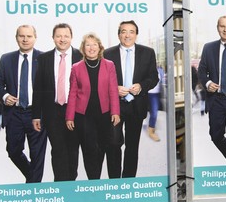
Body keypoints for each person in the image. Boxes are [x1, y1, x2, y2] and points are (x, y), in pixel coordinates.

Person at [104, 20, 159, 178]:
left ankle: (128, 181)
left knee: (132, 146)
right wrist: (114, 89)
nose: (127, 35)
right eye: (123, 31)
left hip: (137, 105)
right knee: (113, 144)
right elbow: (101, 81)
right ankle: (114, 181)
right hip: (115, 107)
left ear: (136, 34)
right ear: (119, 34)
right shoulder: (108, 54)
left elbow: (153, 77)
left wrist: (141, 86)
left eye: (131, 32)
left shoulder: (147, 52)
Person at [0, 25, 47, 183]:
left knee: (37, 155)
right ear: (16, 37)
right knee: (13, 150)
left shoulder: (44, 59)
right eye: (21, 36)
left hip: (36, 114)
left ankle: (33, 189)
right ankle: (32, 178)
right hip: (14, 113)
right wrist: (4, 96)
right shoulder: (6, 58)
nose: (25, 39)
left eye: (29, 36)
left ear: (35, 38)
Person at [66, 33, 120, 180]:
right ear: (83, 48)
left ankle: (97, 174)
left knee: (102, 147)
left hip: (104, 113)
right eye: (87, 45)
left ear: (99, 47)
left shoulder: (109, 65)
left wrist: (115, 111)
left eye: (94, 44)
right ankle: (93, 180)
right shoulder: (76, 67)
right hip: (83, 115)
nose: (91, 48)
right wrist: (69, 116)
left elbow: (113, 90)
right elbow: (72, 93)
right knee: (88, 149)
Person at [32, 23, 82, 181]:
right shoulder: (43, 59)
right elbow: (38, 88)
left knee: (73, 149)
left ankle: (71, 182)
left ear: (71, 37)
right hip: (52, 112)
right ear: (53, 38)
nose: (62, 39)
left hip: (75, 111)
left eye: (66, 36)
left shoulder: (81, 56)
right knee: (58, 149)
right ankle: (61, 184)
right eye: (59, 36)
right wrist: (36, 115)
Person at [197, 15, 226, 165]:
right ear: (218, 28)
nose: (225, 29)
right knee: (215, 135)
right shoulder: (208, 47)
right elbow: (201, 71)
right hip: (216, 99)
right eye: (222, 26)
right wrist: (208, 82)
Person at [146, 63, 165, 142]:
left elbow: (162, 81)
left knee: (153, 112)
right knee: (152, 112)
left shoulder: (160, 70)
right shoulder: (146, 69)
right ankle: (151, 130)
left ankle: (151, 128)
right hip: (148, 93)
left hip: (156, 94)